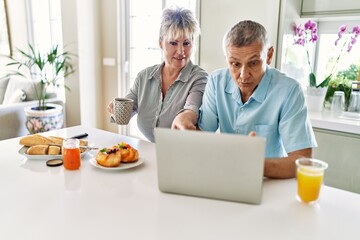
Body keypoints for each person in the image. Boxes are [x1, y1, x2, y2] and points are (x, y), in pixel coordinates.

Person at [173, 20, 317, 179]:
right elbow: (203, 135)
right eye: (235, 64)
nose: (243, 75)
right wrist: (186, 117)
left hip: (269, 181)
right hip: (225, 177)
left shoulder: (289, 91)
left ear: (269, 55)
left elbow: (303, 161)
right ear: (227, 58)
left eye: (253, 63)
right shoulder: (216, 81)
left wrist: (254, 165)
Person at [107, 7, 208, 142]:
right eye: (173, 43)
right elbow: (127, 110)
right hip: (149, 150)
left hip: (182, 153)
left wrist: (187, 116)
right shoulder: (144, 76)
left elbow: (192, 107)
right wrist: (116, 108)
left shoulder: (199, 78)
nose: (181, 51)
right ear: (160, 43)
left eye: (186, 43)